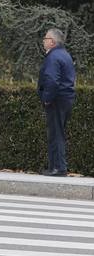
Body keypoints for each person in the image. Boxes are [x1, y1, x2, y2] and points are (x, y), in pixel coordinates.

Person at [40, 28, 77, 177]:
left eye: (46, 38)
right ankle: (55, 167)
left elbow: (52, 81)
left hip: (56, 100)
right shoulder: (65, 55)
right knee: (58, 133)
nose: (44, 40)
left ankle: (58, 168)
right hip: (66, 98)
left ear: (52, 42)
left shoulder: (53, 57)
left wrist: (47, 98)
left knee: (55, 134)